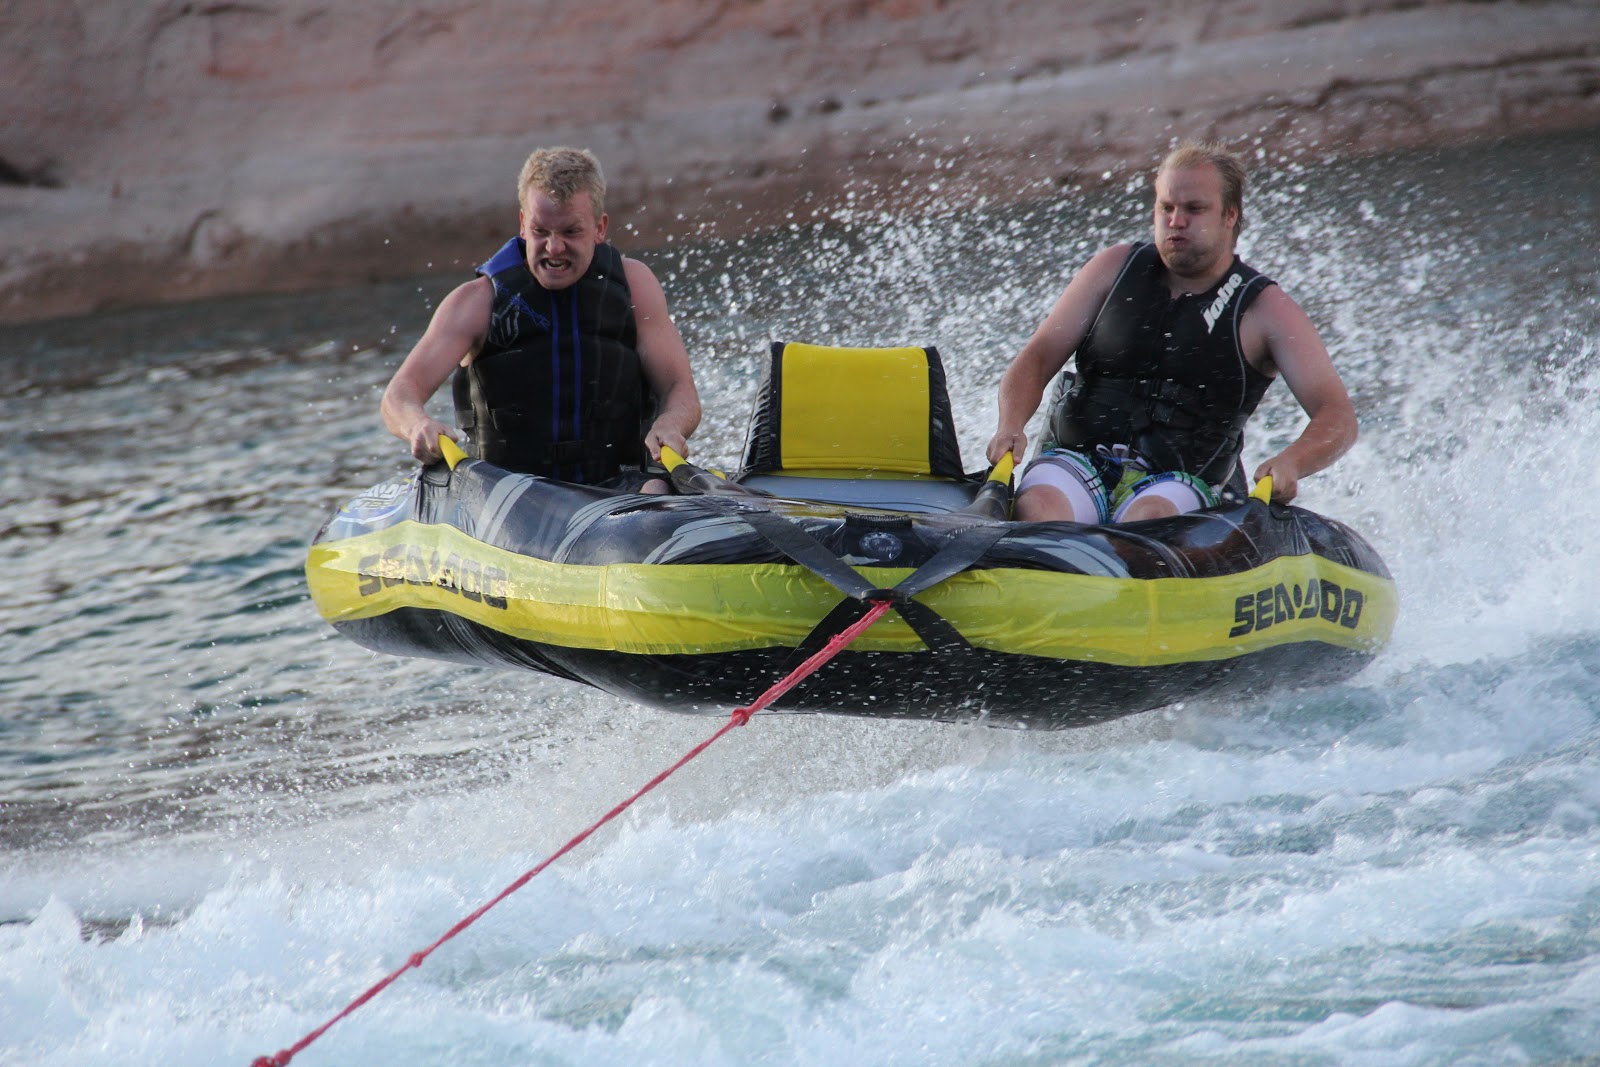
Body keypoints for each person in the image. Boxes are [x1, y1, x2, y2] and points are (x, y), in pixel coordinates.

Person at [986, 141, 1357, 523]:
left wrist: (1292, 461)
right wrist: (1010, 424)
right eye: (1166, 207)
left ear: (1230, 215)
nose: (1176, 221)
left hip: (1180, 483)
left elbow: (1337, 415)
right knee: (1040, 507)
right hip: (1077, 461)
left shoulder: (1266, 309)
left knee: (1150, 517)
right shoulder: (1111, 268)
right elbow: (1037, 357)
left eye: (1194, 209)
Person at [381, 146, 701, 492]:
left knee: (657, 490)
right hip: (509, 495)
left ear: (599, 228)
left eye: (570, 232)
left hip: (619, 488)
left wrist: (672, 423)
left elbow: (679, 388)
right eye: (541, 231)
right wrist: (418, 425)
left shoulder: (635, 286)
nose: (554, 247)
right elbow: (399, 394)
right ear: (523, 225)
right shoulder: (476, 302)